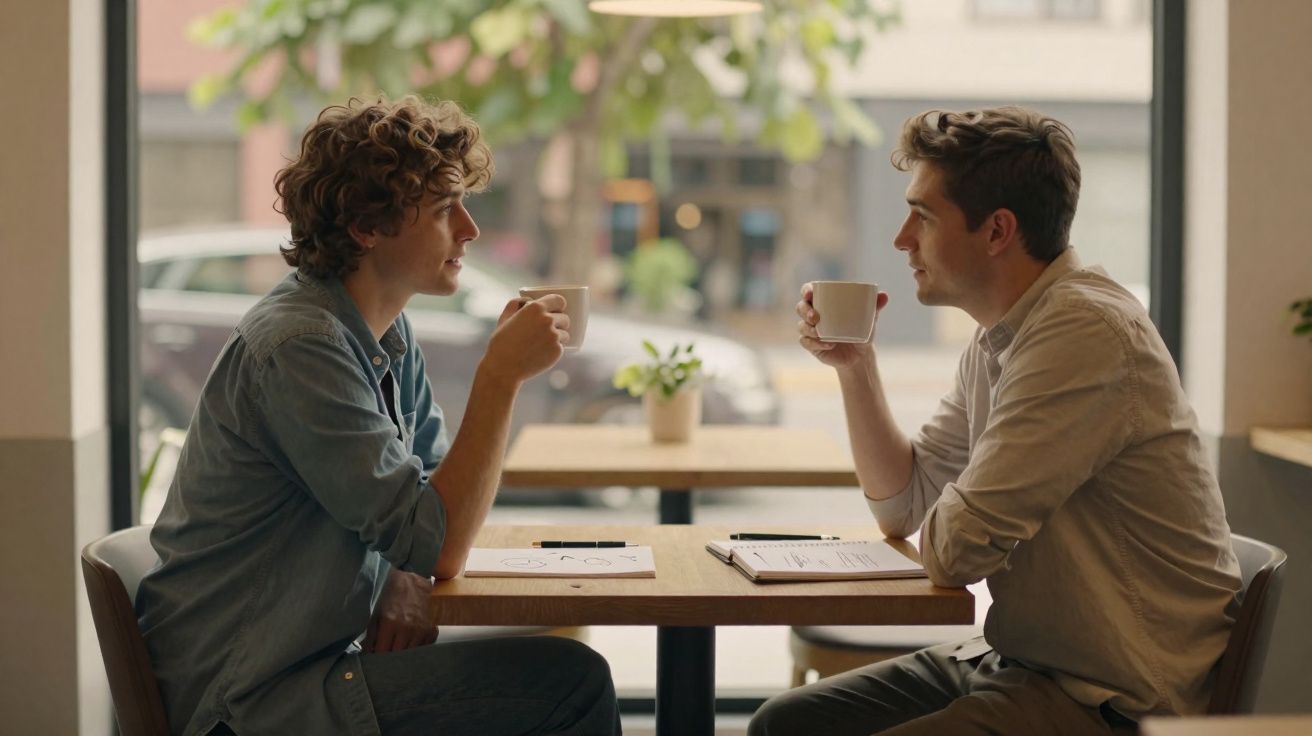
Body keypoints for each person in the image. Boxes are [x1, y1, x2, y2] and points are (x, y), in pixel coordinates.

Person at [136, 96, 621, 736]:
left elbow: (433, 495)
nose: (470, 230)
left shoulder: (382, 330)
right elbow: (442, 542)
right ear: (367, 226)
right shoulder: (301, 347)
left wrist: (401, 569)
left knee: (558, 653)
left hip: (307, 659)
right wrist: (499, 377)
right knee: (571, 683)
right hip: (249, 698)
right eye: (445, 208)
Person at [751, 107, 1241, 735]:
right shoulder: (1001, 337)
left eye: (923, 216)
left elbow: (954, 552)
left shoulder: (1082, 333)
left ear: (997, 231)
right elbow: (904, 507)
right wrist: (855, 366)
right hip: (1022, 662)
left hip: (1111, 697)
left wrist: (967, 504)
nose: (901, 239)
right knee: (784, 724)